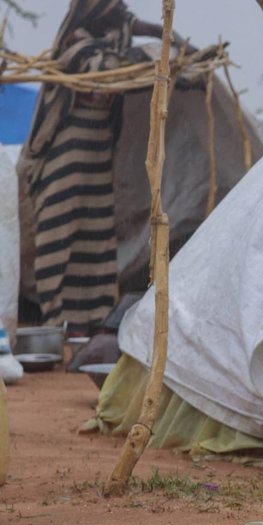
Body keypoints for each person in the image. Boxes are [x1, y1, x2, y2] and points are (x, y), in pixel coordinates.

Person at [19, 0, 185, 335]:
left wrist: (161, 32)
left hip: (96, 157)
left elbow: (141, 48)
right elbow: (109, 66)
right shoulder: (76, 47)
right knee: (58, 234)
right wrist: (151, 39)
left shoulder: (110, 43)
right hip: (66, 156)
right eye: (113, 6)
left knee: (95, 239)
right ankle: (55, 320)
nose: (122, 10)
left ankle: (91, 319)